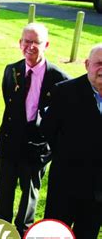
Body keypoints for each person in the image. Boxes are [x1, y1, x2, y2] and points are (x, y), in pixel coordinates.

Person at [0, 23, 70, 236]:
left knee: (29, 196)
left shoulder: (59, 79)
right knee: (4, 195)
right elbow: (10, 105)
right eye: (26, 41)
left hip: (37, 147)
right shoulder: (11, 70)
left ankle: (23, 231)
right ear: (20, 43)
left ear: (46, 44)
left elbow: (61, 121)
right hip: (10, 143)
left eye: (36, 42)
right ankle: (1, 230)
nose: (30, 46)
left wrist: (49, 148)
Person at [41, 44, 102, 238]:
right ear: (87, 64)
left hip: (97, 190)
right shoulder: (64, 92)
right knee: (56, 232)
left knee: (88, 232)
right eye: (99, 63)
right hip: (66, 183)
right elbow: (48, 130)